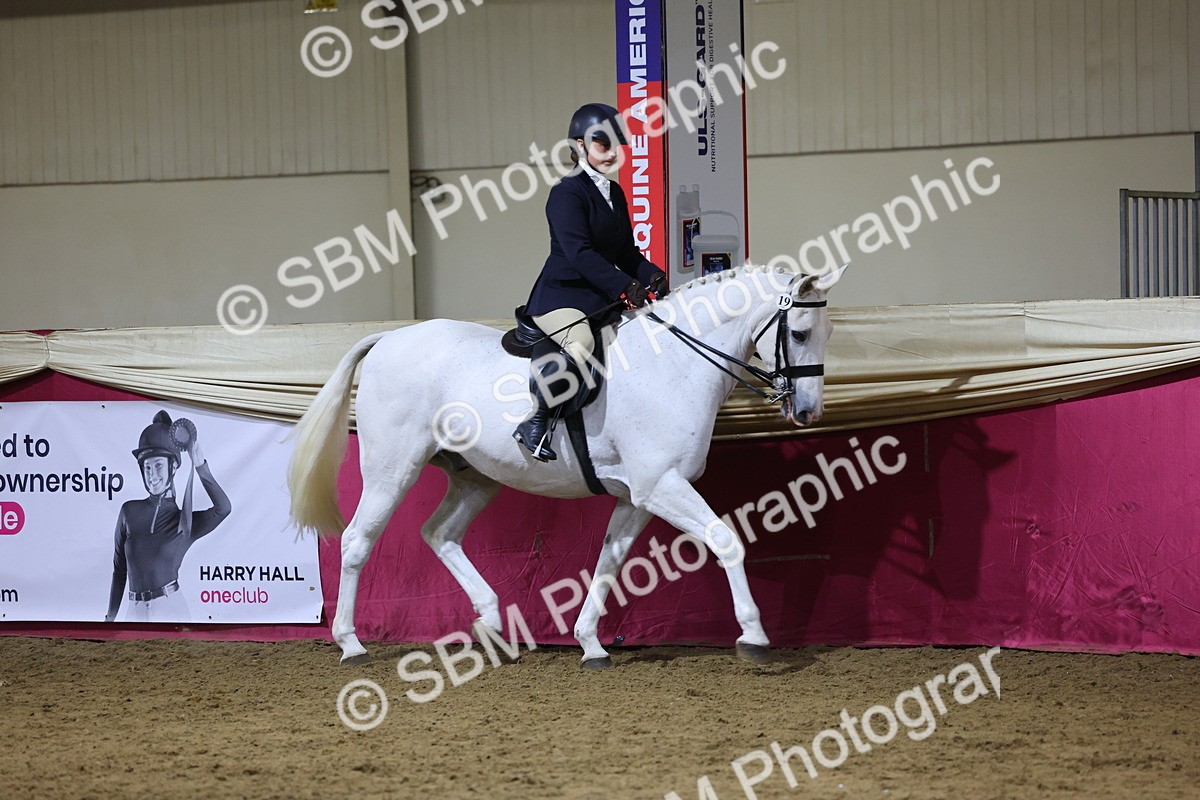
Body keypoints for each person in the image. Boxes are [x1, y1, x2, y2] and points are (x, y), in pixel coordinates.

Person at [513, 102, 670, 461]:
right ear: (579, 145)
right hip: (562, 295)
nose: (613, 152)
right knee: (582, 342)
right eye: (603, 144)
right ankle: (536, 421)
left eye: (617, 145)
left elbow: (627, 252)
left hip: (601, 295)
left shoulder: (614, 193)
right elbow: (579, 253)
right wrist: (623, 286)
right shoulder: (566, 192)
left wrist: (653, 276)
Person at [104, 411, 232, 623]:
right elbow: (119, 571)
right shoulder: (129, 511)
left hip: (171, 609)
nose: (152, 475)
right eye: (147, 467)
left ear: (173, 467)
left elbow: (223, 508)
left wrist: (201, 467)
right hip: (134, 610)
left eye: (158, 466)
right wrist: (110, 619)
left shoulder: (185, 522)